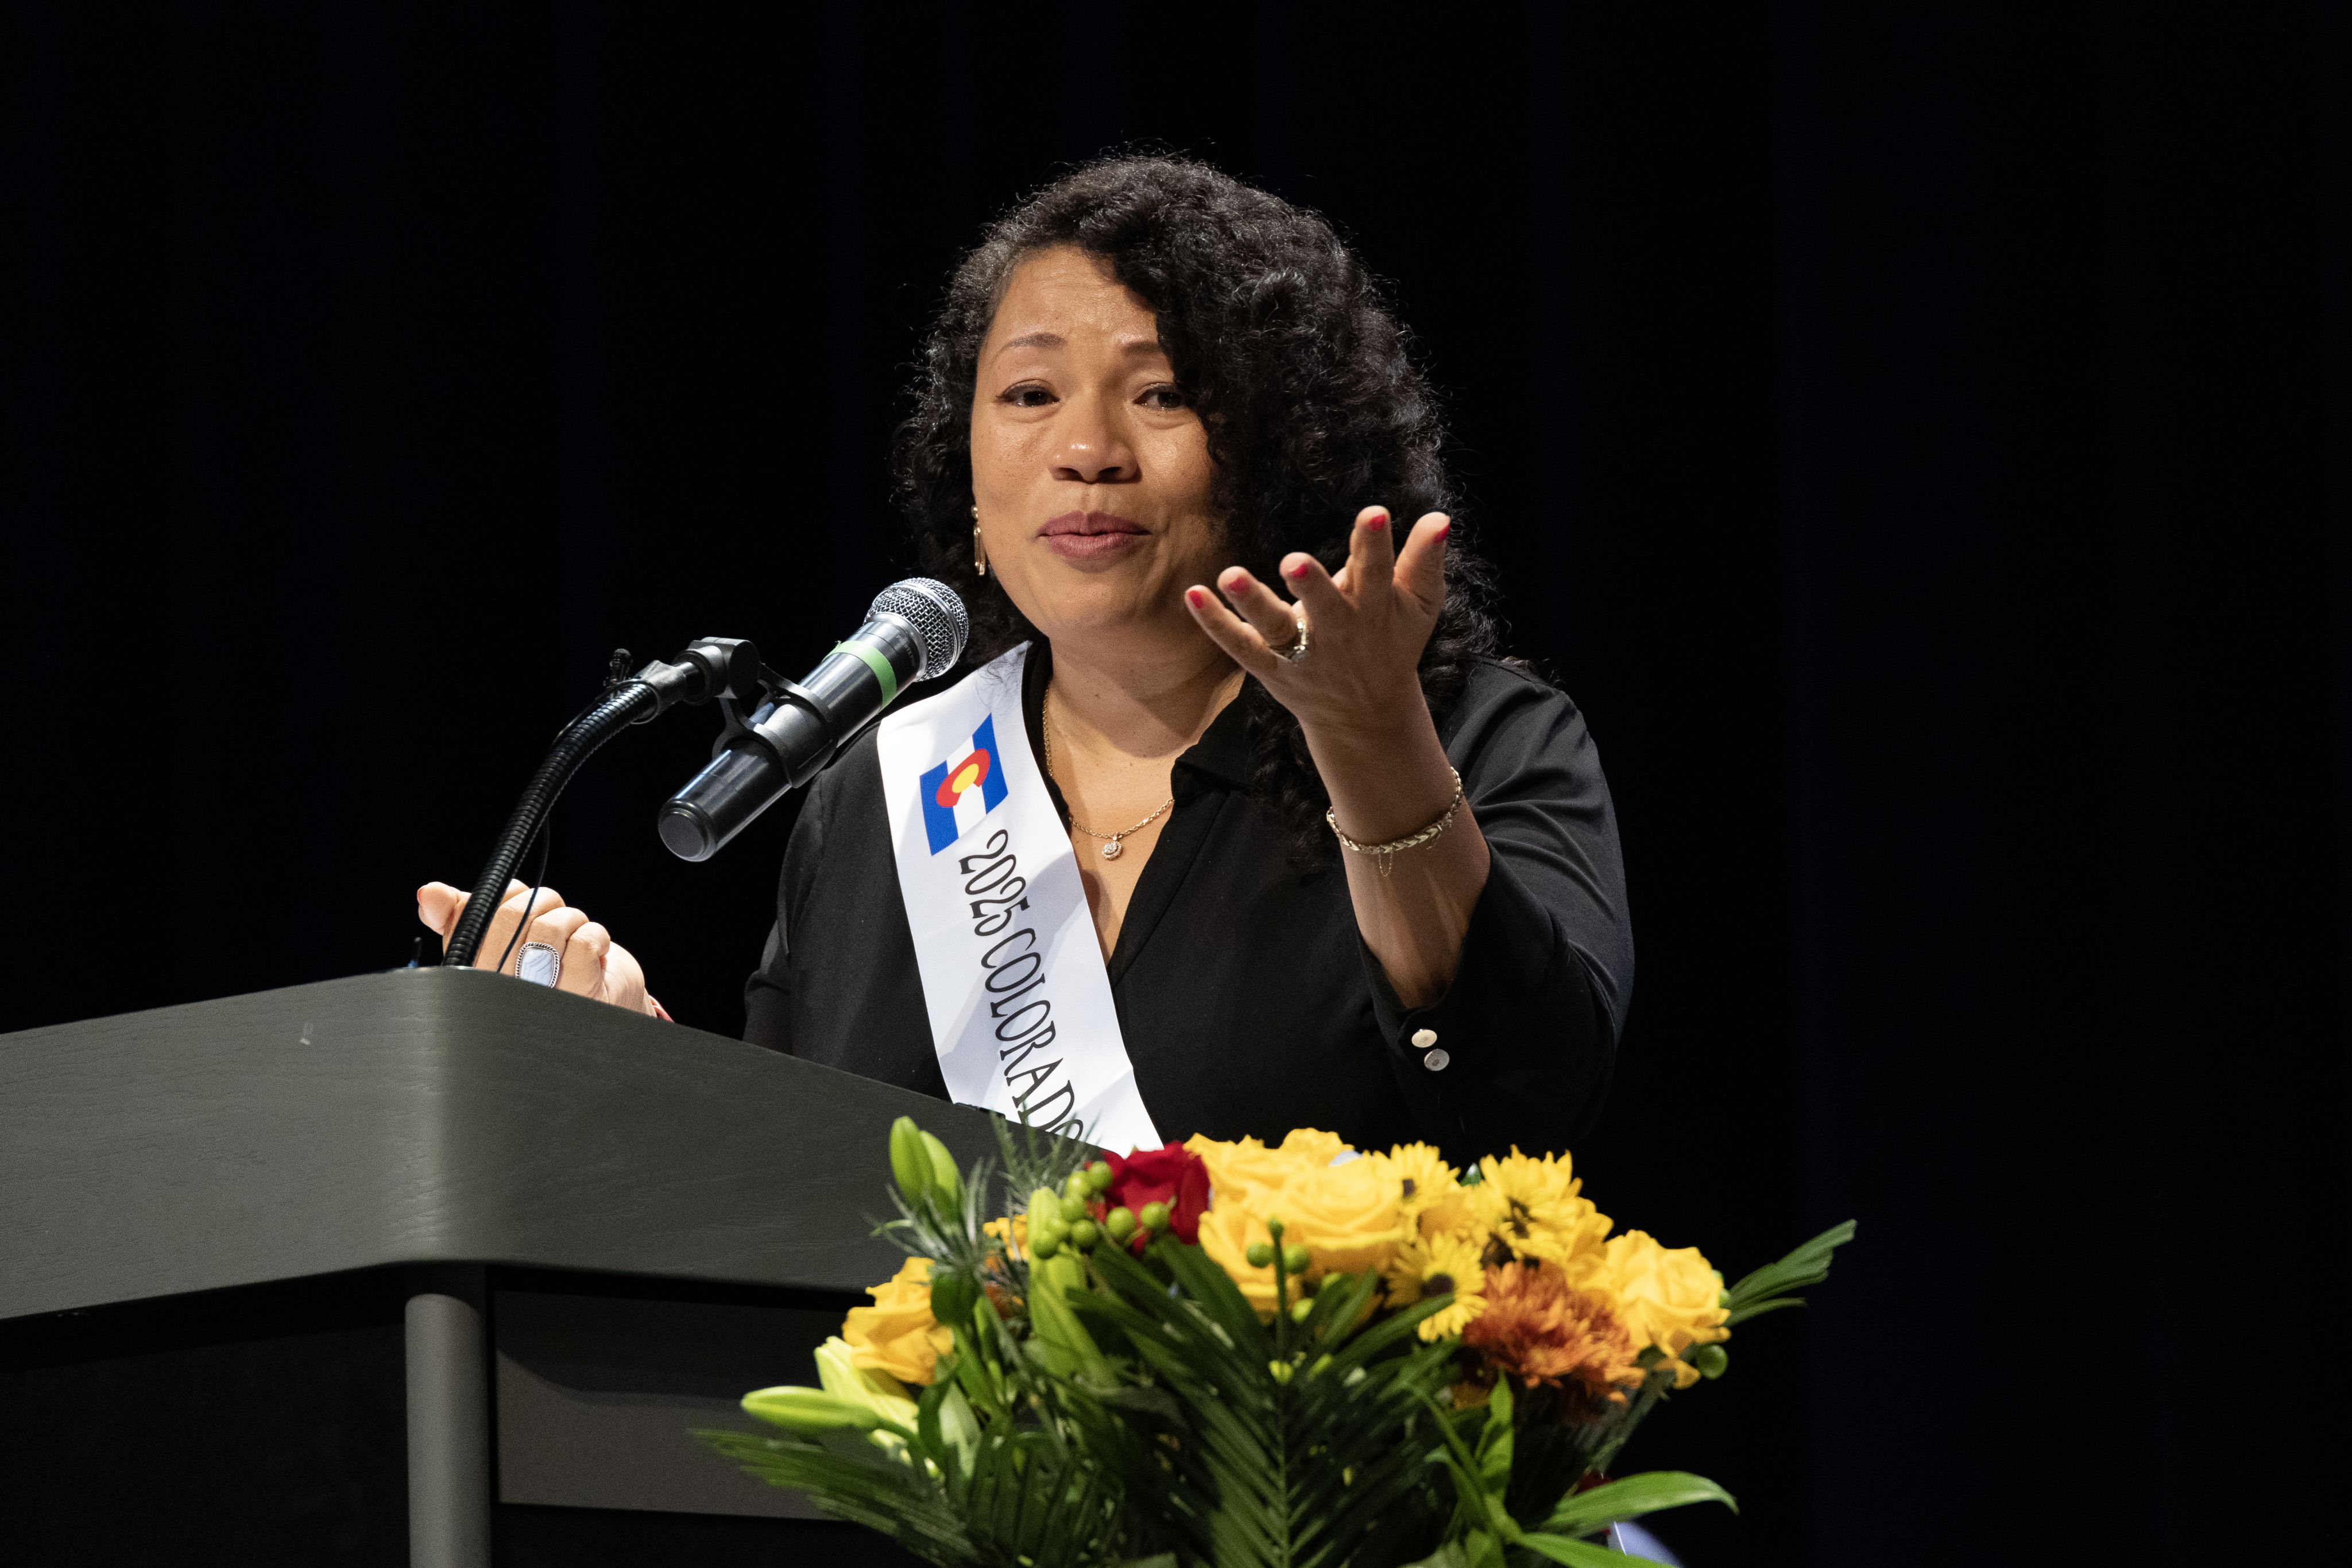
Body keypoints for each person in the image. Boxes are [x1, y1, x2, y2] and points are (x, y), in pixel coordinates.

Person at [419, 157, 1631, 1162]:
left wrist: (1369, 742)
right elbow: (795, 1212)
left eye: (1161, 395)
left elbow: (1520, 1101)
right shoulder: (878, 798)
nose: (1086, 448)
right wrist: (630, 1057)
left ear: (1284, 450)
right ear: (967, 472)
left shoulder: (1471, 736)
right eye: (1029, 393)